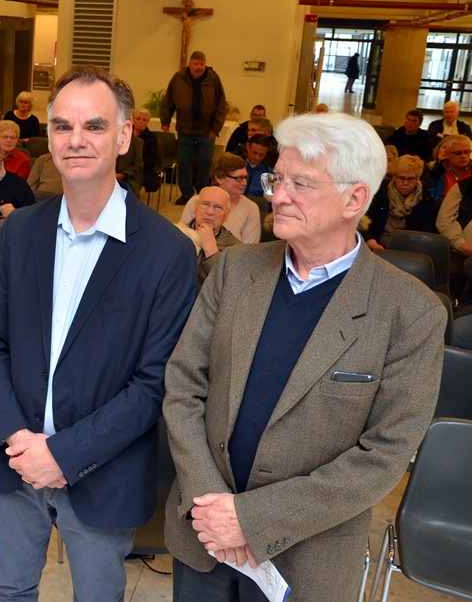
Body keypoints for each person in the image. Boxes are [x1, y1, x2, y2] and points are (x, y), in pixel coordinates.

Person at [164, 112, 446, 601]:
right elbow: (184, 383)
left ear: (355, 198)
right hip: (203, 535)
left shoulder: (410, 311)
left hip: (306, 557)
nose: (277, 195)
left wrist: (250, 521)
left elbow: (384, 454)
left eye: (300, 183)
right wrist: (211, 506)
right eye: (277, 178)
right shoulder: (233, 271)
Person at [0, 65, 197, 601]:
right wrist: (16, 438)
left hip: (103, 473)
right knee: (8, 588)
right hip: (14, 463)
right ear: (48, 135)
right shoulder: (20, 232)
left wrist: (64, 454)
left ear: (123, 136)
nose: (76, 141)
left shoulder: (166, 253)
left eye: (94, 126)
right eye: (62, 127)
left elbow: (155, 384)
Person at [160, 51, 229, 204]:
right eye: (196, 64)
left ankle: (203, 192)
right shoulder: (178, 78)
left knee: (205, 162)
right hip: (185, 129)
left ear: (205, 64)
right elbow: (168, 100)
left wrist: (215, 128)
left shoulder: (213, 78)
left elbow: (220, 104)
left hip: (207, 130)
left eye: (202, 64)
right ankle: (186, 193)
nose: (199, 67)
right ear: (190, 64)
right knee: (184, 162)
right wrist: (165, 121)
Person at [179, 153, 261, 244]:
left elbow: (249, 251)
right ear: (219, 178)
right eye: (239, 178)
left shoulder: (251, 209)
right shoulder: (195, 201)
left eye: (245, 178)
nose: (244, 183)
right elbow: (181, 236)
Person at [363, 155, 438, 251]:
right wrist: (373, 244)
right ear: (394, 177)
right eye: (401, 178)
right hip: (377, 245)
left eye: (411, 179)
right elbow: (366, 225)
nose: (406, 183)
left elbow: (426, 231)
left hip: (411, 249)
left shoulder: (426, 199)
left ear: (418, 178)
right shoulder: (379, 192)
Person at [181, 185, 241, 284]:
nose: (209, 212)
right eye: (205, 204)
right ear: (196, 207)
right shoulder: (177, 233)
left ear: (226, 214)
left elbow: (229, 285)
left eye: (218, 207)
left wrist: (211, 252)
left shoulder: (235, 248)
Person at [436, 147, 472, 299]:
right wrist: (461, 244)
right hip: (460, 250)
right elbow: (445, 220)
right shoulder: (464, 186)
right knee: (451, 274)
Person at [422, 133, 471, 200]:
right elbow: (429, 200)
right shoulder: (434, 173)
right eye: (458, 153)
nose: (463, 156)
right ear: (447, 154)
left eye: (466, 152)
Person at [131, 107, 162, 194]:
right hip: (123, 166)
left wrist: (135, 167)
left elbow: (152, 160)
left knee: (132, 177)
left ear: (148, 122)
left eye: (144, 120)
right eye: (138, 119)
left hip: (142, 168)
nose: (140, 122)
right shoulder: (125, 132)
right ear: (133, 119)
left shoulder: (151, 138)